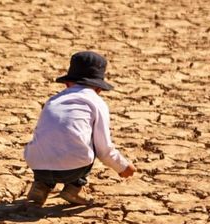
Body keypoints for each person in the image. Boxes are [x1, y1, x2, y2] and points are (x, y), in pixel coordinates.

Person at [24, 51, 136, 207]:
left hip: (37, 164)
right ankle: (75, 187)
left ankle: (40, 187)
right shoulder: (96, 103)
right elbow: (104, 150)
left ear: (67, 83)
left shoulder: (53, 100)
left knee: (52, 140)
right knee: (88, 143)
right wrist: (123, 167)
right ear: (99, 89)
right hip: (73, 169)